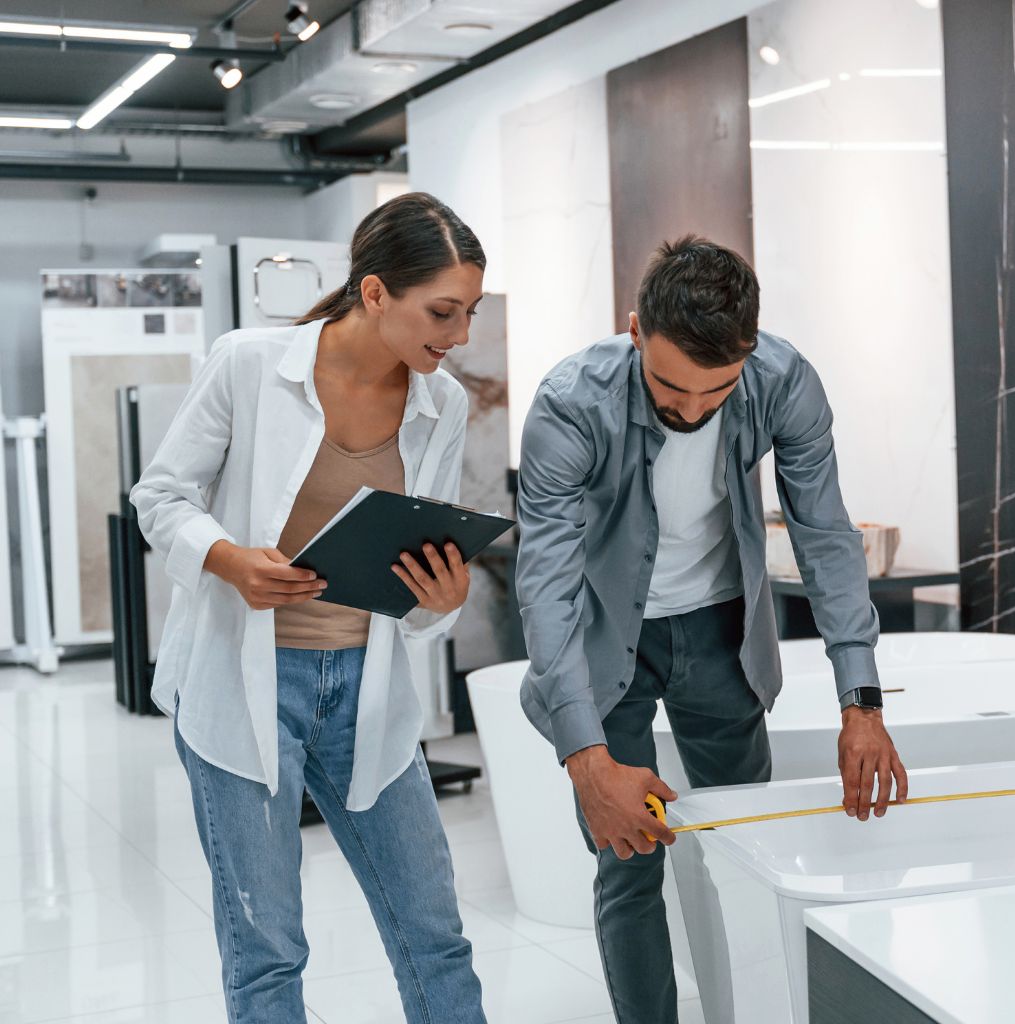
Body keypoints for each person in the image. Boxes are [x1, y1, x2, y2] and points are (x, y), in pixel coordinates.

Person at [515, 235, 909, 1024]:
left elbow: (825, 532)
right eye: (669, 387)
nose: (691, 409)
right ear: (634, 330)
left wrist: (860, 701)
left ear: (748, 352)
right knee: (628, 865)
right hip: (607, 647)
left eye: (714, 391)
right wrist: (588, 760)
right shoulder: (569, 404)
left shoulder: (782, 381)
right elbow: (547, 583)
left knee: (745, 854)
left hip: (721, 640)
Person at [131, 192, 488, 1024]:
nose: (460, 334)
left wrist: (444, 597)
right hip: (242, 686)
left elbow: (420, 578)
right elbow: (162, 496)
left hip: (369, 691)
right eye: (443, 311)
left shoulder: (446, 405)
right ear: (374, 293)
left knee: (434, 934)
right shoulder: (249, 364)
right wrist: (225, 560)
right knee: (268, 952)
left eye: (468, 312)